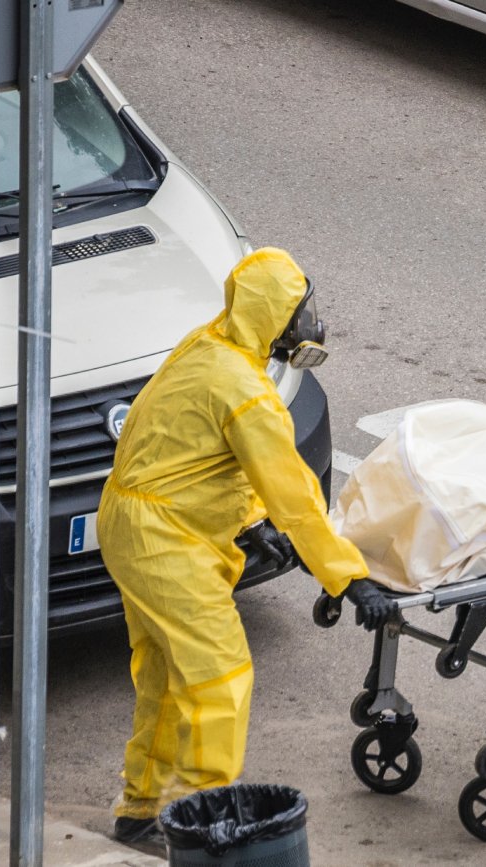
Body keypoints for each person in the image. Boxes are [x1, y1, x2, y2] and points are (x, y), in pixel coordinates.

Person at [97, 247, 397, 845]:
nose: (309, 324)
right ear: (274, 318)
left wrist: (251, 520)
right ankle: (208, 823)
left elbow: (196, 454)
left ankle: (139, 809)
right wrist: (347, 577)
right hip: (167, 540)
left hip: (134, 523)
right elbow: (296, 497)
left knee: (163, 675)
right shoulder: (247, 392)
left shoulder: (211, 345)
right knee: (219, 677)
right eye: (300, 313)